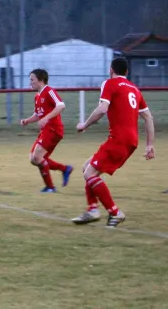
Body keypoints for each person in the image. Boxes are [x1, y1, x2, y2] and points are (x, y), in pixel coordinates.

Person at [72, 57, 155, 228]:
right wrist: (149, 145)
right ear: (127, 72)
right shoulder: (135, 89)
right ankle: (93, 209)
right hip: (132, 141)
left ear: (111, 70)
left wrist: (84, 125)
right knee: (87, 167)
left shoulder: (110, 84)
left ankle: (115, 212)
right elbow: (148, 117)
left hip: (118, 139)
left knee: (89, 174)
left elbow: (102, 109)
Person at [20, 69, 73, 192]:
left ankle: (50, 187)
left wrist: (46, 118)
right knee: (34, 159)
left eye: (32, 79)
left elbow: (61, 105)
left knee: (38, 157)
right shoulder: (37, 96)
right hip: (46, 130)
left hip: (54, 129)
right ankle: (65, 169)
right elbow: (38, 115)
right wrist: (27, 121)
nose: (30, 82)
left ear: (41, 80)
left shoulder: (49, 91)